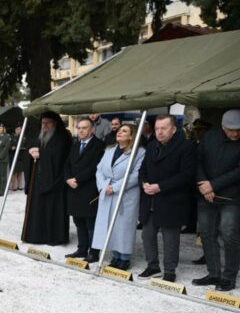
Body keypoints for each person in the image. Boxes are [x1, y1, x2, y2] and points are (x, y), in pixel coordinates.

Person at [137, 114, 197, 282]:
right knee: (147, 235)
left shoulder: (186, 146)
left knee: (170, 237)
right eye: (157, 128)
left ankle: (170, 270)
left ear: (173, 129)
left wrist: (160, 187)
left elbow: (186, 175)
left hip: (171, 200)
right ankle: (152, 266)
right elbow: (142, 169)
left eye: (163, 128)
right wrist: (144, 183)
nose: (159, 132)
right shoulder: (151, 145)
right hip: (150, 199)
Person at [191, 109, 240, 292]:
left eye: (238, 130)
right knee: (206, 234)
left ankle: (228, 277)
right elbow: (198, 161)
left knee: (229, 235)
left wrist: (213, 185)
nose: (235, 133)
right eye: (230, 129)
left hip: (232, 197)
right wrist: (204, 185)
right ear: (222, 126)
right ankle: (213, 273)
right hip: (206, 194)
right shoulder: (209, 136)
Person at [91, 124, 146, 270]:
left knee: (124, 226)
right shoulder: (109, 150)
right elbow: (99, 170)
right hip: (107, 192)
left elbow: (136, 175)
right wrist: (103, 186)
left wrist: (115, 187)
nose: (120, 132)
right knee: (110, 225)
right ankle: (115, 256)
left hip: (125, 194)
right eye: (119, 130)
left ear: (131, 136)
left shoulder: (139, 152)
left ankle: (125, 258)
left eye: (124, 131)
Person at [22, 111, 72, 245]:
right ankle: (36, 236)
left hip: (55, 180)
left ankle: (53, 237)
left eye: (47, 122)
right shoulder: (37, 137)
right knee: (37, 210)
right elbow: (30, 149)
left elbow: (60, 155)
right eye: (43, 123)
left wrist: (41, 154)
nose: (44, 125)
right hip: (37, 180)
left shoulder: (63, 137)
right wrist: (30, 152)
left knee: (53, 210)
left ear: (55, 123)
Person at [64, 117, 105, 262]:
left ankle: (93, 252)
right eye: (79, 128)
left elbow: (95, 166)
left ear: (92, 129)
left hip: (89, 189)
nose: (81, 130)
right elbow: (67, 163)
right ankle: (82, 249)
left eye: (84, 127)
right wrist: (68, 178)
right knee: (78, 221)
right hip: (73, 189)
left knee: (91, 222)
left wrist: (77, 179)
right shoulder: (75, 145)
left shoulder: (100, 145)